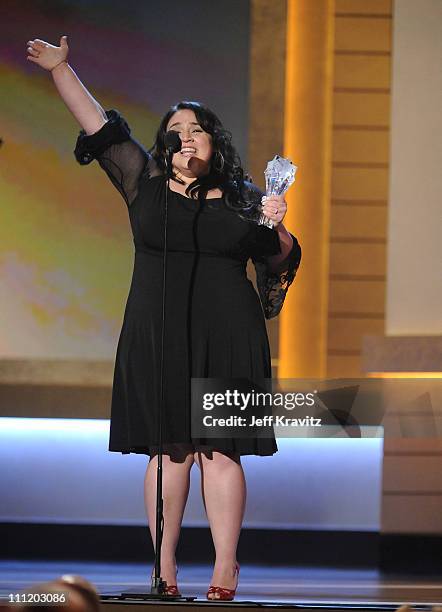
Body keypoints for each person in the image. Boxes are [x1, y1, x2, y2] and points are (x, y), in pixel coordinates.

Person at [26, 35, 302, 601]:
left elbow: (280, 261)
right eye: (175, 130)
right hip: (158, 329)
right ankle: (164, 567)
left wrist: (276, 224)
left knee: (219, 449)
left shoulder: (246, 196)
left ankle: (226, 567)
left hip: (228, 332)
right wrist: (61, 69)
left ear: (213, 140)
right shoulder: (144, 182)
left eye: (195, 128)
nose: (185, 137)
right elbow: (99, 125)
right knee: (169, 449)